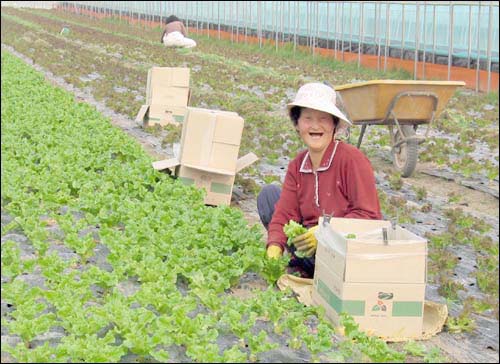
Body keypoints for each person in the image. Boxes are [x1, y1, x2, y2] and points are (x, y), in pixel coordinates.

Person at [257, 82, 382, 278]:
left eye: (323, 119)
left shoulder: (352, 160)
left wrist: (325, 232)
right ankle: (305, 266)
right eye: (307, 118)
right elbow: (284, 213)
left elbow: (369, 216)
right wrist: (274, 246)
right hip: (311, 248)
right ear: (297, 125)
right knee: (269, 196)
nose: (315, 126)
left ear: (334, 125)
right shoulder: (298, 165)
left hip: (344, 252)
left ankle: (314, 270)